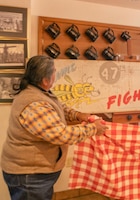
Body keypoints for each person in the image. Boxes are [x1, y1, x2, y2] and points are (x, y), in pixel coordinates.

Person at [1, 55, 108, 200]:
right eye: (54, 72)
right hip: (29, 177)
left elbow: (58, 108)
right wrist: (94, 129)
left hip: (34, 174)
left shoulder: (38, 92)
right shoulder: (34, 105)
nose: (55, 75)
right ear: (45, 80)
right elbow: (61, 135)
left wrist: (78, 115)